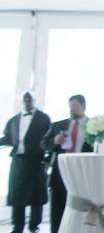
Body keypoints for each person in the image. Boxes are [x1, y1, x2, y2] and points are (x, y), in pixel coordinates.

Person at [0, 92, 51, 233]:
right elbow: (8, 138)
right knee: (17, 195)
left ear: (35, 101)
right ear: (21, 101)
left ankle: (34, 226)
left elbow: (50, 141)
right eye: (25, 99)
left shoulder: (44, 118)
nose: (27, 102)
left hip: (37, 161)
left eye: (30, 99)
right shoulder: (13, 120)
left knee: (37, 195)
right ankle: (17, 226)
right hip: (18, 161)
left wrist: (47, 160)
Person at [42, 94, 91, 233]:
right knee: (58, 207)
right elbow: (44, 143)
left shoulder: (93, 125)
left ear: (83, 106)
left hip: (83, 173)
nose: (72, 109)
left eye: (75, 106)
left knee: (81, 207)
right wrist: (54, 141)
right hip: (60, 172)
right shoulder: (59, 125)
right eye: (70, 106)